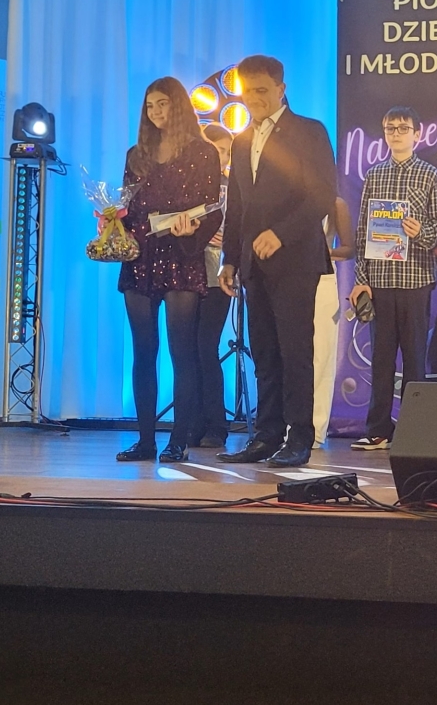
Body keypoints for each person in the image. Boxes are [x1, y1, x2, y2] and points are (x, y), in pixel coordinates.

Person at [216, 55, 337, 469]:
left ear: (281, 89)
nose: (254, 98)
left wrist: (281, 233)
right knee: (264, 352)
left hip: (296, 260)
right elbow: (237, 206)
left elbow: (322, 195)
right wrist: (230, 259)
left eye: (262, 90)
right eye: (247, 91)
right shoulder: (241, 140)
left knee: (295, 350)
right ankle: (266, 435)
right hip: (253, 264)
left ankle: (300, 435)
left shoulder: (309, 131)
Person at [112, 76, 218, 463]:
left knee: (182, 351)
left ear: (179, 106)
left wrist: (192, 231)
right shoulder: (135, 154)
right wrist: (112, 223)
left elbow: (213, 208)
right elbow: (126, 208)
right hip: (139, 256)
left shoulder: (203, 151)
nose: (156, 112)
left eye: (163, 104)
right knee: (143, 351)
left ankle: (179, 440)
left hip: (181, 256)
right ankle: (145, 440)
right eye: (150, 105)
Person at [348, 107, 437, 451]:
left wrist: (420, 232)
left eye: (403, 128)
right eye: (390, 128)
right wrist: (362, 278)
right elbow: (363, 229)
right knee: (382, 359)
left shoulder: (430, 174)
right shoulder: (374, 175)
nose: (396, 133)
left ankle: (416, 429)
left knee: (416, 358)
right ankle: (378, 429)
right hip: (380, 280)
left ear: (417, 133)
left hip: (415, 278)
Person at [192, 125, 234, 450]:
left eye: (227, 152)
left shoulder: (232, 187)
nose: (224, 158)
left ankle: (216, 425)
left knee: (207, 347)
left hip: (218, 275)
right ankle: (191, 423)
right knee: (187, 350)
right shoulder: (189, 185)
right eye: (219, 150)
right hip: (187, 274)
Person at [311, 196, 355, 449]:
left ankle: (315, 429)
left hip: (323, 279)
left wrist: (327, 252)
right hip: (287, 278)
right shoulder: (283, 197)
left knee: (322, 354)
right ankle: (284, 426)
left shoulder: (336, 204)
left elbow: (349, 248)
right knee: (288, 355)